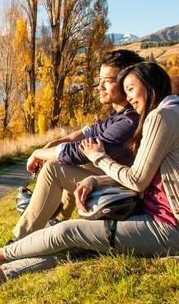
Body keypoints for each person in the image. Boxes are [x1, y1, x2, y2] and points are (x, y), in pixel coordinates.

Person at [0, 61, 179, 290]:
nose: (129, 97)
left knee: (69, 231)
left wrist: (97, 156)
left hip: (167, 226)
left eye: (131, 88)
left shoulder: (161, 116)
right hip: (156, 216)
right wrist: (93, 179)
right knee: (82, 243)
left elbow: (137, 180)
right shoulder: (167, 113)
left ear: (151, 86)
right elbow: (141, 174)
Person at [13, 49, 143, 239]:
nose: (100, 86)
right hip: (115, 181)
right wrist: (54, 142)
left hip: (124, 193)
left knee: (53, 169)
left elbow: (76, 152)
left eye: (108, 80)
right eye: (100, 79)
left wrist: (38, 153)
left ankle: (20, 239)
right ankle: (57, 219)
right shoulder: (120, 115)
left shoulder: (128, 122)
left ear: (127, 83)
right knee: (66, 160)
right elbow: (85, 133)